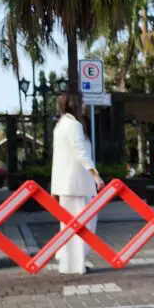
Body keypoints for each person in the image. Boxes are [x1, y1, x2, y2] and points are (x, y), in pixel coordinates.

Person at [50, 92, 103, 274]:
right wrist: (96, 175)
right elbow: (82, 153)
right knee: (84, 226)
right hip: (78, 184)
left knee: (70, 227)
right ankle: (76, 263)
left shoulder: (60, 125)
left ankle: (69, 263)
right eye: (81, 103)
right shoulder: (74, 126)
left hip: (66, 185)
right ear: (74, 105)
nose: (84, 107)